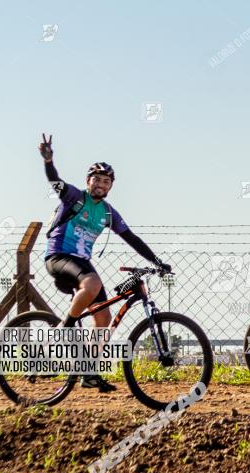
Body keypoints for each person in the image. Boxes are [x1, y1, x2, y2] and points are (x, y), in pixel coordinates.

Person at [38, 133, 171, 391]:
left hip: (82, 263)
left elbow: (131, 238)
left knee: (103, 318)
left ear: (111, 186)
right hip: (58, 256)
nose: (100, 184)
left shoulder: (108, 212)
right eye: (96, 179)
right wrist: (48, 161)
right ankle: (64, 328)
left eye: (106, 181)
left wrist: (157, 261)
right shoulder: (75, 197)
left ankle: (88, 373)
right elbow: (55, 182)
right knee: (93, 282)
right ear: (88, 181)